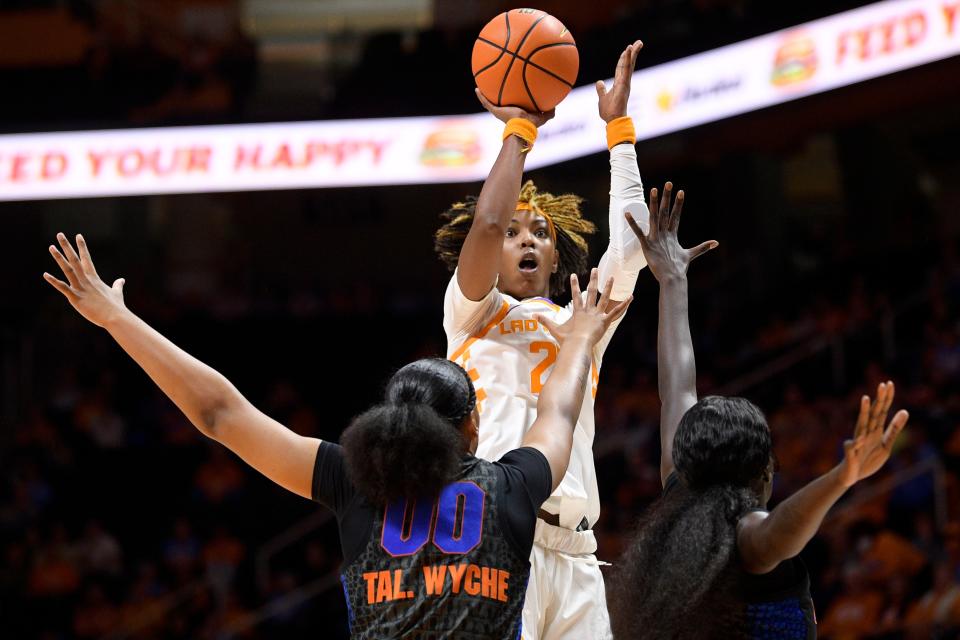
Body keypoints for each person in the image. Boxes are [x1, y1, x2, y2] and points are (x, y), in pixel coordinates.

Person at [43, 232, 629, 639]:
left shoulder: (353, 481)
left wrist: (117, 318)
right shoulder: (511, 486)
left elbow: (220, 413)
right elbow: (558, 409)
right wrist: (578, 335)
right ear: (472, 429)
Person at [608, 184, 911, 639]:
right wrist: (841, 477)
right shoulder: (746, 531)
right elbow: (778, 532)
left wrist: (672, 281)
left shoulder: (679, 495)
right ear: (761, 471)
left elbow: (677, 389)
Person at [434, 41, 646, 639]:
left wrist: (620, 132)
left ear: (557, 250)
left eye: (541, 231)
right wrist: (519, 132)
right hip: (497, 535)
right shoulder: (471, 313)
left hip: (578, 552)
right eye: (517, 232)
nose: (525, 239)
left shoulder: (583, 321)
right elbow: (487, 222)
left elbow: (632, 248)